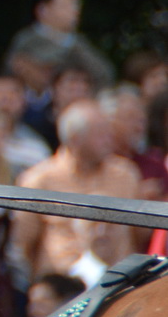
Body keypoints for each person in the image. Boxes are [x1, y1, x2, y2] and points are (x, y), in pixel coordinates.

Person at [11, 100, 141, 277]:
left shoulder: (126, 175)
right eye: (100, 134)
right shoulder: (40, 180)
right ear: (74, 139)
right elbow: (24, 244)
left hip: (120, 286)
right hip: (64, 289)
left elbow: (140, 235)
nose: (109, 139)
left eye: (108, 131)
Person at [5, 0, 115, 89]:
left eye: (75, 3)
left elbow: (105, 74)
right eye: (66, 4)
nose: (75, 9)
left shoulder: (80, 43)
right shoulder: (26, 41)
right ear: (43, 10)